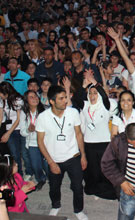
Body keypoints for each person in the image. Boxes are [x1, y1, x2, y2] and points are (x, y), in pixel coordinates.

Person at [36, 85, 89, 220]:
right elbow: (40, 142)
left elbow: (78, 134)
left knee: (78, 187)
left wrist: (83, 155)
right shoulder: (42, 117)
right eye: (61, 98)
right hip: (54, 159)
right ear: (51, 101)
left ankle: (78, 210)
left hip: (73, 157)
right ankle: (55, 205)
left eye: (65, 97)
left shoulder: (73, 113)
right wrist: (50, 162)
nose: (65, 100)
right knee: (54, 187)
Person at [80, 72, 117, 199]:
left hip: (104, 142)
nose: (92, 95)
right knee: (93, 170)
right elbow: (76, 99)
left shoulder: (105, 106)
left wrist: (95, 82)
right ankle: (95, 189)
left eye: (95, 93)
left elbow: (105, 97)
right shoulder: (86, 106)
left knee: (104, 169)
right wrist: (84, 85)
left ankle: (105, 190)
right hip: (89, 143)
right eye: (90, 93)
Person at [20, 90, 47, 191]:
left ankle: (51, 177)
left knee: (47, 165)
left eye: (35, 96)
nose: (35, 98)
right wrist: (29, 130)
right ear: (26, 101)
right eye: (31, 97)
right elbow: (22, 132)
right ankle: (41, 179)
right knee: (36, 165)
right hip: (32, 143)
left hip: (45, 143)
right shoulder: (24, 112)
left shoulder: (45, 111)